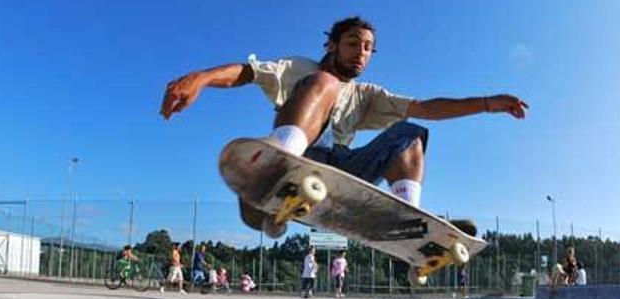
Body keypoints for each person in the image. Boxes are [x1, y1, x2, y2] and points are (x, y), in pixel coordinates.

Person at [161, 16, 527, 226]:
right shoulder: (301, 68)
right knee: (325, 82)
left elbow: (426, 107)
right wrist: (202, 78)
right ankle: (282, 168)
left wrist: (487, 103)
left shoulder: (368, 95)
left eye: (368, 47)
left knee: (412, 133)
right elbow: (247, 72)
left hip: (344, 169)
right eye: (353, 43)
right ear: (333, 45)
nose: (361, 53)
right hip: (305, 153)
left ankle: (407, 216)